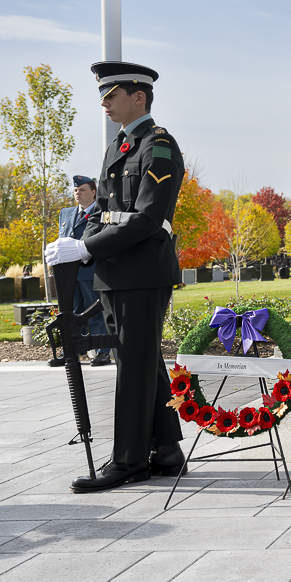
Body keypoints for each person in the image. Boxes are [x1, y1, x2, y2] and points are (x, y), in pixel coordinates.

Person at [44, 61, 187, 492]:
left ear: (138, 97)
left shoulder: (159, 145)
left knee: (133, 365)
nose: (104, 103)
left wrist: (88, 248)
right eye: (102, 97)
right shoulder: (117, 148)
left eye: (111, 95)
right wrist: (78, 243)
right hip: (115, 273)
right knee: (141, 360)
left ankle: (129, 461)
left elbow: (147, 218)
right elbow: (101, 211)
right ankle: (166, 451)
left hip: (143, 271)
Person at [50, 175, 112, 368]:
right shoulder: (66, 213)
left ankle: (102, 351)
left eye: (82, 190)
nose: (78, 193)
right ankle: (72, 350)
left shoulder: (102, 212)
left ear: (93, 192)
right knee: (70, 312)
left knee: (94, 312)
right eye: (76, 190)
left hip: (91, 270)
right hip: (68, 273)